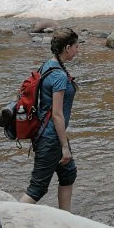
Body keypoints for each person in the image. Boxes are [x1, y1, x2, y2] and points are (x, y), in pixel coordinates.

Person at [19, 27, 79, 211]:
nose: (78, 50)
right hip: (51, 137)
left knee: (68, 173)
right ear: (67, 48)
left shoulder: (48, 66)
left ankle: (65, 219)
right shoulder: (59, 76)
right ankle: (9, 220)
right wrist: (64, 146)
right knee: (37, 188)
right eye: (77, 46)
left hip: (44, 132)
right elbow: (57, 114)